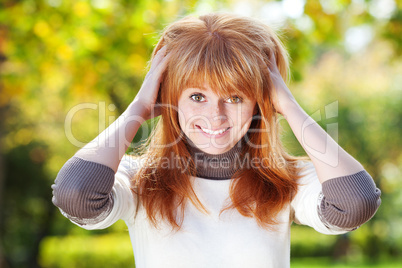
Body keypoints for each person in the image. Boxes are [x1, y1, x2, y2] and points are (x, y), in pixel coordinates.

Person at [52, 13, 381, 267]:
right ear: (168, 97)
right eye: (197, 96)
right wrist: (138, 107)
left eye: (236, 98)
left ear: (259, 102)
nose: (216, 117)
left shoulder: (286, 181)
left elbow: (355, 204)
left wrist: (286, 105)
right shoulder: (140, 179)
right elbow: (76, 195)